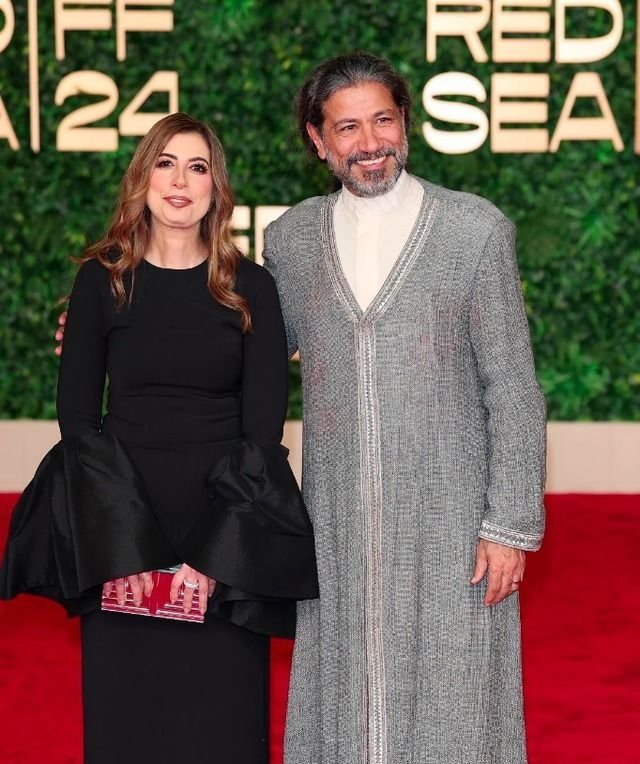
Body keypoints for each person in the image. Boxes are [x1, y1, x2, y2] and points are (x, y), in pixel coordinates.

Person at [1, 112, 317, 764]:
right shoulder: (102, 279)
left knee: (222, 729)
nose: (179, 181)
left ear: (215, 187)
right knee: (128, 726)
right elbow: (79, 423)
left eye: (197, 167)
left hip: (224, 534)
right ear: (142, 178)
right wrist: (127, 551)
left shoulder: (252, 287)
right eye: (165, 164)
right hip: (121, 525)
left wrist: (214, 560)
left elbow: (262, 435)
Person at [260, 53, 546, 763]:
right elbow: (246, 347)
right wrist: (126, 322)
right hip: (337, 526)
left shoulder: (474, 230)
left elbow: (512, 385)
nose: (370, 143)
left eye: (383, 120)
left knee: (457, 704)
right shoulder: (290, 241)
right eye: (347, 127)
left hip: (454, 524)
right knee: (344, 702)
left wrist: (508, 525)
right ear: (318, 140)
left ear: (405, 123)